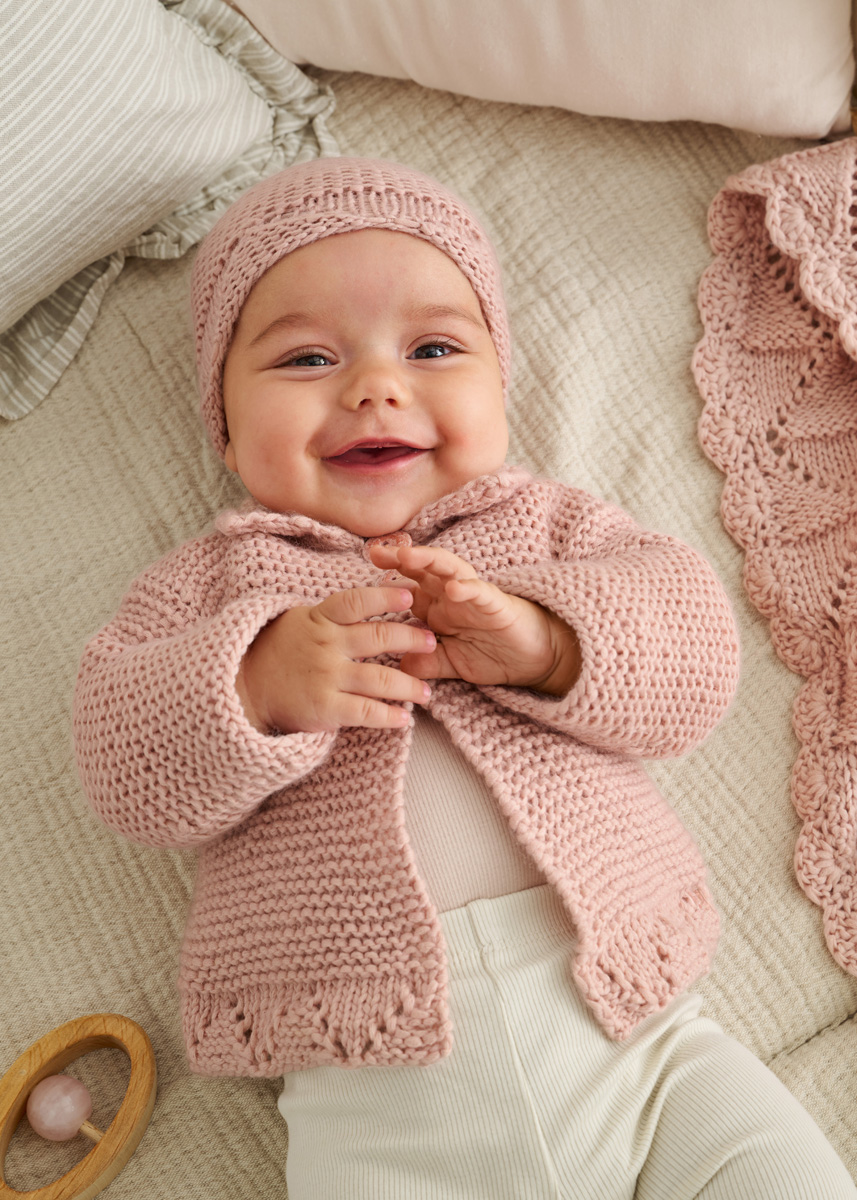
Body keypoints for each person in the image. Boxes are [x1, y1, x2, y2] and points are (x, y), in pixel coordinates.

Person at [73, 157, 857, 1199]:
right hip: (379, 1115)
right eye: (305, 358)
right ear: (222, 418)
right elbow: (122, 764)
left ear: (500, 381)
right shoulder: (217, 584)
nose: (374, 387)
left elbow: (695, 652)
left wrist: (547, 643)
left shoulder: (546, 527)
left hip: (648, 1054)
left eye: (433, 348)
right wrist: (256, 684)